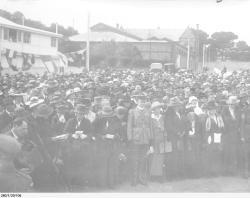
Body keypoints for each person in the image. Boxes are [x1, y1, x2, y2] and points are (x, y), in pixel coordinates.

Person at [93, 105, 122, 189]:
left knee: (111, 165)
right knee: (103, 165)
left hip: (112, 145)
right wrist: (101, 136)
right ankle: (102, 184)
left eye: (109, 116)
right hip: (101, 145)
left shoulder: (116, 120)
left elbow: (119, 132)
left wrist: (115, 136)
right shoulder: (98, 119)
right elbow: (93, 131)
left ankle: (111, 184)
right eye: (105, 116)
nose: (107, 117)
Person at [127, 95, 154, 186]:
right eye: (140, 101)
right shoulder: (132, 111)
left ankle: (141, 178)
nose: (142, 103)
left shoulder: (148, 112)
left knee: (143, 159)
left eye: (143, 101)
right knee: (135, 159)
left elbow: (150, 125)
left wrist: (151, 138)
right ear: (137, 102)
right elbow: (129, 125)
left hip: (145, 138)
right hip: (136, 138)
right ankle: (134, 180)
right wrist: (130, 138)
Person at [164, 97, 186, 179]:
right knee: (173, 156)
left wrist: (183, 131)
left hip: (180, 137)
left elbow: (183, 124)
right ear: (171, 107)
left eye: (178, 106)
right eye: (175, 106)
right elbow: (169, 126)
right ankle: (172, 175)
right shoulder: (169, 115)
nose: (176, 107)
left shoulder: (179, 113)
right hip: (173, 137)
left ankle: (179, 174)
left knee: (180, 155)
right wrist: (177, 132)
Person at [202, 101, 224, 177]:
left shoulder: (219, 117)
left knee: (216, 154)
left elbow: (221, 127)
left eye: (214, 109)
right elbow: (204, 130)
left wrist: (221, 134)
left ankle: (215, 171)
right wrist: (206, 138)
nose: (213, 111)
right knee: (209, 155)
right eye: (211, 109)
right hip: (210, 138)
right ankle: (208, 172)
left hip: (218, 137)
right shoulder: (205, 117)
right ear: (208, 110)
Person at [221, 96, 241, 175]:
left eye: (233, 104)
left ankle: (233, 170)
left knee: (234, 152)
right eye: (230, 104)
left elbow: (239, 122)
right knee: (226, 152)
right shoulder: (224, 110)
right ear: (228, 103)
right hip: (227, 134)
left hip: (235, 134)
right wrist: (233, 122)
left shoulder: (238, 110)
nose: (232, 105)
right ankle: (226, 171)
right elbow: (225, 121)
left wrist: (236, 126)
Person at [150, 101, 167, 182]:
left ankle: (160, 175)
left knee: (161, 157)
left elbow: (166, 127)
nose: (158, 110)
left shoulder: (163, 117)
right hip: (154, 140)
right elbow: (150, 130)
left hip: (162, 140)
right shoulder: (151, 118)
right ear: (153, 110)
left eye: (159, 108)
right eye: (156, 109)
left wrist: (164, 130)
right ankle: (153, 175)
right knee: (154, 157)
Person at [240, 95, 250, 178]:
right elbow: (242, 124)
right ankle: (246, 172)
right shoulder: (245, 110)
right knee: (246, 154)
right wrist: (242, 136)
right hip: (247, 135)